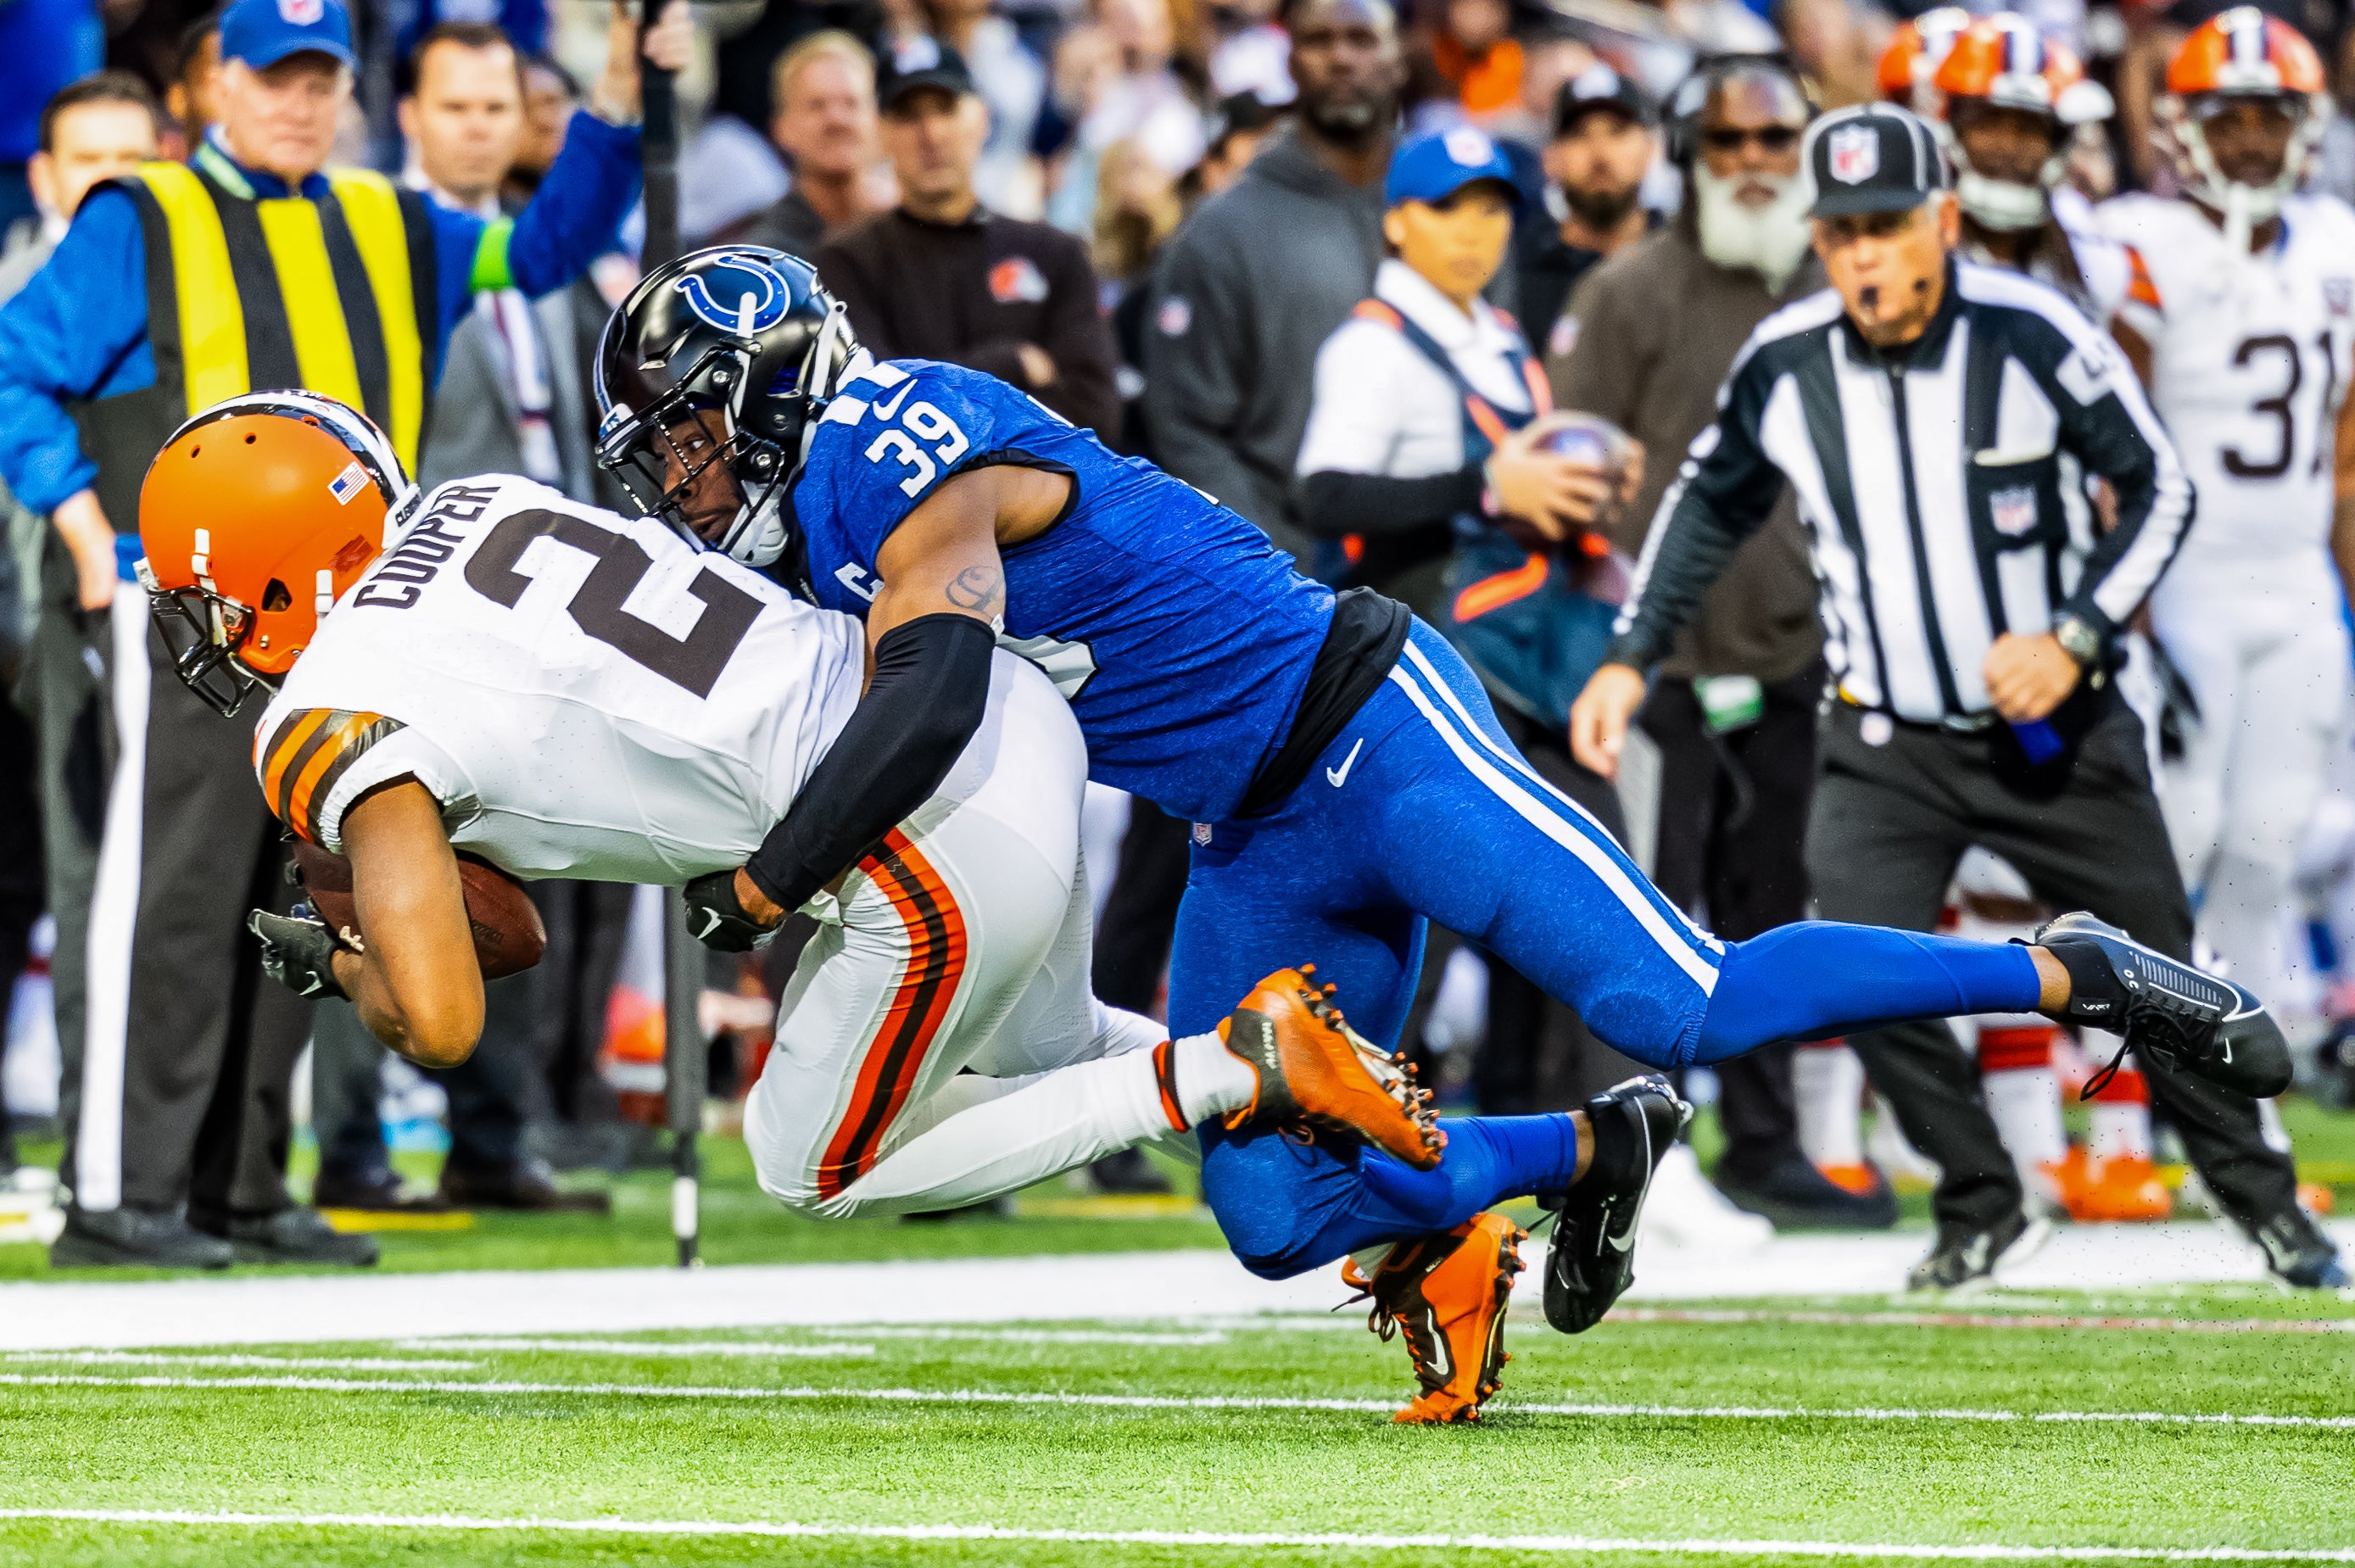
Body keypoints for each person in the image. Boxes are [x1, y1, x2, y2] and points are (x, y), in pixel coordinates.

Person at [597, 243, 2297, 1421]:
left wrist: (770, 879)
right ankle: (1578, 1157)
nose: (675, 477)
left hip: (1365, 728)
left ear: (768, 385)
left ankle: (2068, 971)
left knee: (1684, 999)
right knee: (1265, 1206)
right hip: (1245, 830)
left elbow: (932, 700)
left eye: (683, 432)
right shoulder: (816, 518)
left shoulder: (891, 440)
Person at [136, 388, 1441, 1240]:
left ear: (262, 580)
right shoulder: (484, 502)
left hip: (910, 833)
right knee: (1054, 1056)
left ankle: (1242, 1061)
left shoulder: (328, 712)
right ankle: (1413, 1190)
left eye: (199, 602)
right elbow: (514, 934)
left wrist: (342, 960)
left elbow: (441, 1017)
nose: (200, 638)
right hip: (1004, 723)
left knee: (810, 1162)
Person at [1568, 102, 2344, 1293]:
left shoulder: (2030, 331)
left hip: (2058, 730)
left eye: (1886, 226)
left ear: (1942, 220)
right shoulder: (1786, 361)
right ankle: (1981, 1199)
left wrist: (2075, 634)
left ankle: (2266, 1214)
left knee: (2160, 979)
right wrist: (1631, 649)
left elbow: (2157, 489)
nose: (1864, 255)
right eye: (1841, 234)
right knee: (1860, 972)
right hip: (1883, 738)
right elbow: (1706, 500)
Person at [0, 0, 688, 1270]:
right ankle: (118, 1194)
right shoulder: (139, 218)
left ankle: (246, 1188)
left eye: (319, 80)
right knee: (173, 895)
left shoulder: (391, 219)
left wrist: (610, 107)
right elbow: (15, 362)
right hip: (187, 608)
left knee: (306, 899)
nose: (300, 103)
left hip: (349, 624)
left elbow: (541, 251)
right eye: (275, 79)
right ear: (217, 84)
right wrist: (88, 534)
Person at [2095, 9, 2355, 1052]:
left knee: (2268, 838)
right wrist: (2132, 618)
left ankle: (2243, 1090)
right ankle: (2122, 1086)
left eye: (2269, 115)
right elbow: (2114, 456)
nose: (2249, 137)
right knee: (2178, 835)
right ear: (2179, 125)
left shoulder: (2338, 240)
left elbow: (2343, 460)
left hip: (2292, 581)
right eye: (2227, 115)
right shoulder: (2135, 242)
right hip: (2184, 578)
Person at [1142, 0, 1403, 566]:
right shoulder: (1224, 228)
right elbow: (1187, 429)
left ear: (1398, 57)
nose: (1340, 59)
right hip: (1296, 568)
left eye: (1361, 40)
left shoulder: (1450, 206)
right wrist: (1277, 571)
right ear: (1289, 59)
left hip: (1440, 570)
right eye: (1319, 41)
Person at [818, 45, 1119, 438]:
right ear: (882, 133)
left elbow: (1097, 414)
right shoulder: (846, 262)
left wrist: (931, 393)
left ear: (982, 119)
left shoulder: (1055, 254)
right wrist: (1009, 362)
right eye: (909, 116)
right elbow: (869, 415)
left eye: (945, 109)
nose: (931, 134)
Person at [1514, 62, 1659, 360]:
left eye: (1618, 132)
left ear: (1650, 149)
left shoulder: (1686, 259)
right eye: (1579, 135)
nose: (1600, 153)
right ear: (1550, 158)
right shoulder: (1517, 270)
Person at [743, 31, 885, 259]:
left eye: (851, 103)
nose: (837, 119)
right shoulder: (768, 259)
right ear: (781, 129)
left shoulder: (913, 224)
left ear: (877, 119)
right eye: (817, 106)